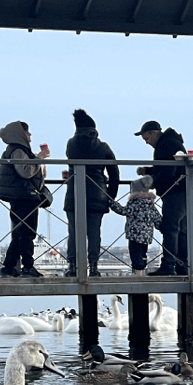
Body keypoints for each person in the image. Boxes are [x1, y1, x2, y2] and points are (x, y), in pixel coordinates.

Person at [62, 109, 120, 276]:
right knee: (94, 232)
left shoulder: (70, 144)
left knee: (73, 232)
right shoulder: (102, 147)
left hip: (74, 193)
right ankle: (93, 267)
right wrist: (110, 195)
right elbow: (114, 173)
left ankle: (72, 266)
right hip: (97, 194)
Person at [0, 121, 49, 277]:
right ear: (21, 134)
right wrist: (39, 158)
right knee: (27, 232)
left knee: (20, 232)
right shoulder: (18, 150)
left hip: (21, 195)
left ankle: (9, 266)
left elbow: (33, 171)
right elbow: (25, 172)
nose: (30, 136)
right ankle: (27, 266)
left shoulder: (17, 150)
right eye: (27, 133)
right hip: (24, 195)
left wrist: (39, 161)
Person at [135, 120, 189, 275]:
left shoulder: (165, 145)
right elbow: (165, 167)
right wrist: (148, 170)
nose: (147, 142)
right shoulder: (171, 142)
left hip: (174, 191)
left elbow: (167, 171)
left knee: (170, 228)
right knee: (182, 230)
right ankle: (183, 265)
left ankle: (168, 266)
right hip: (182, 190)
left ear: (154, 133)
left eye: (147, 138)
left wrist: (153, 179)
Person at [120, 170, 160, 276]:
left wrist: (112, 204)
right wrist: (161, 227)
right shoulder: (150, 205)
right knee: (143, 253)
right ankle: (142, 268)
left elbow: (124, 211)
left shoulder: (134, 203)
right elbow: (157, 218)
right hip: (146, 235)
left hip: (134, 234)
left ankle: (137, 270)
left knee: (135, 252)